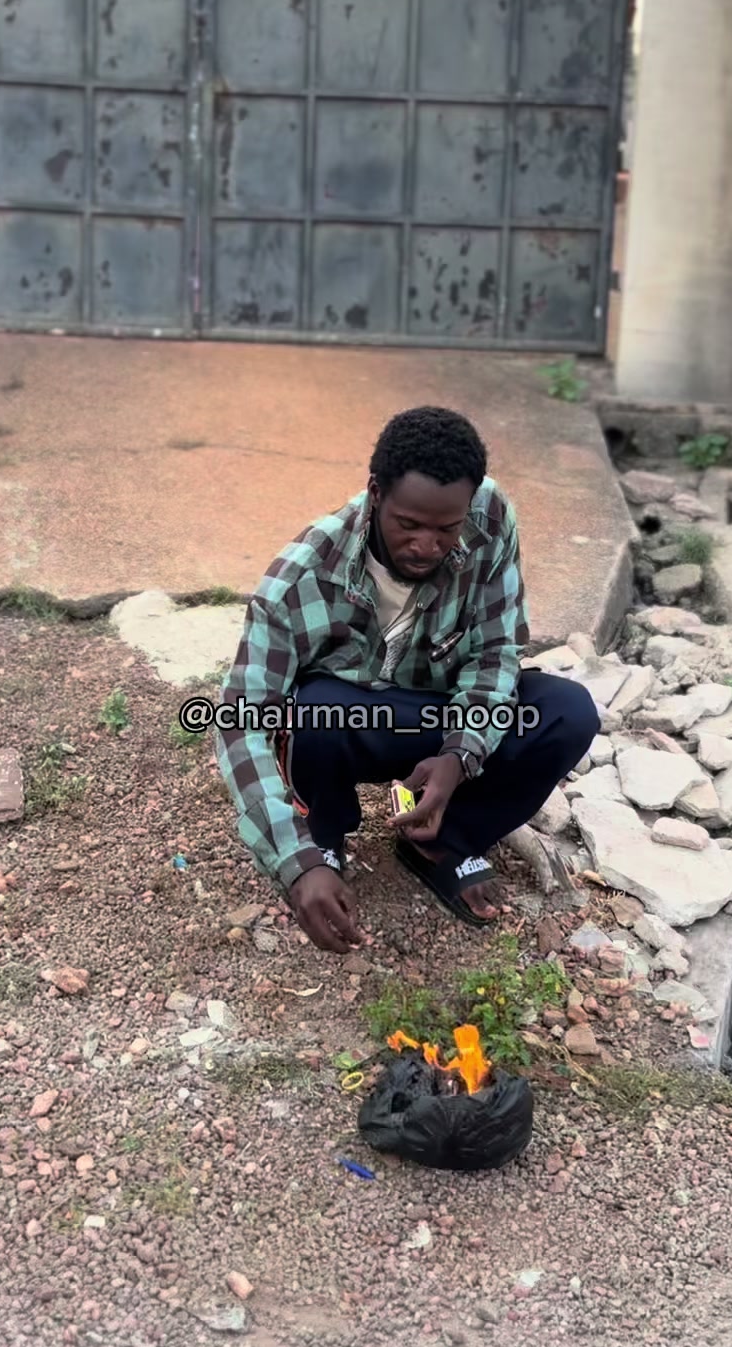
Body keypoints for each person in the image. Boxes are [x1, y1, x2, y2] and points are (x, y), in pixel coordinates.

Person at [214, 405, 599, 954]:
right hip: (349, 724)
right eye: (408, 525)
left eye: (447, 528)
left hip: (438, 716)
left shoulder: (489, 514)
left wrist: (460, 754)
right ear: (375, 494)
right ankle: (321, 842)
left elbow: (496, 650)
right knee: (316, 710)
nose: (427, 546)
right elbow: (242, 720)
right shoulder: (300, 578)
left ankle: (442, 839)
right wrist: (294, 863)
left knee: (567, 712)